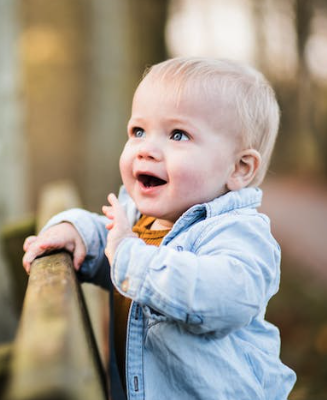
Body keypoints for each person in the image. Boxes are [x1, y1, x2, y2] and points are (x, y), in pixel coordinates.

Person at [22, 57, 296, 400]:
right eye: (138, 131)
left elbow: (222, 297)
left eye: (178, 134)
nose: (147, 149)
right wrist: (76, 231)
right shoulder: (141, 220)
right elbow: (113, 248)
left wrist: (128, 253)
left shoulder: (238, 233)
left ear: (239, 168)